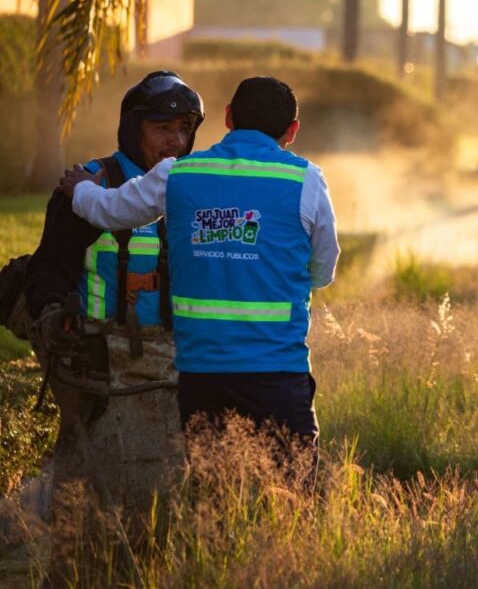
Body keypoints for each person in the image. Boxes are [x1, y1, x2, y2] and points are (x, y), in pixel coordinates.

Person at [59, 76, 340, 475]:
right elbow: (324, 270)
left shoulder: (178, 174)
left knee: (213, 498)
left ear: (228, 118)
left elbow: (110, 211)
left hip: (201, 377)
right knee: (292, 496)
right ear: (291, 132)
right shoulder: (306, 180)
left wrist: (82, 190)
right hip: (278, 374)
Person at [24, 71, 203, 542]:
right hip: (97, 369)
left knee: (165, 506)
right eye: (164, 128)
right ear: (133, 128)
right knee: (88, 508)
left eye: (185, 129)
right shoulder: (89, 184)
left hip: (172, 371)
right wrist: (51, 318)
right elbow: (48, 269)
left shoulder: (193, 188)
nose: (177, 141)